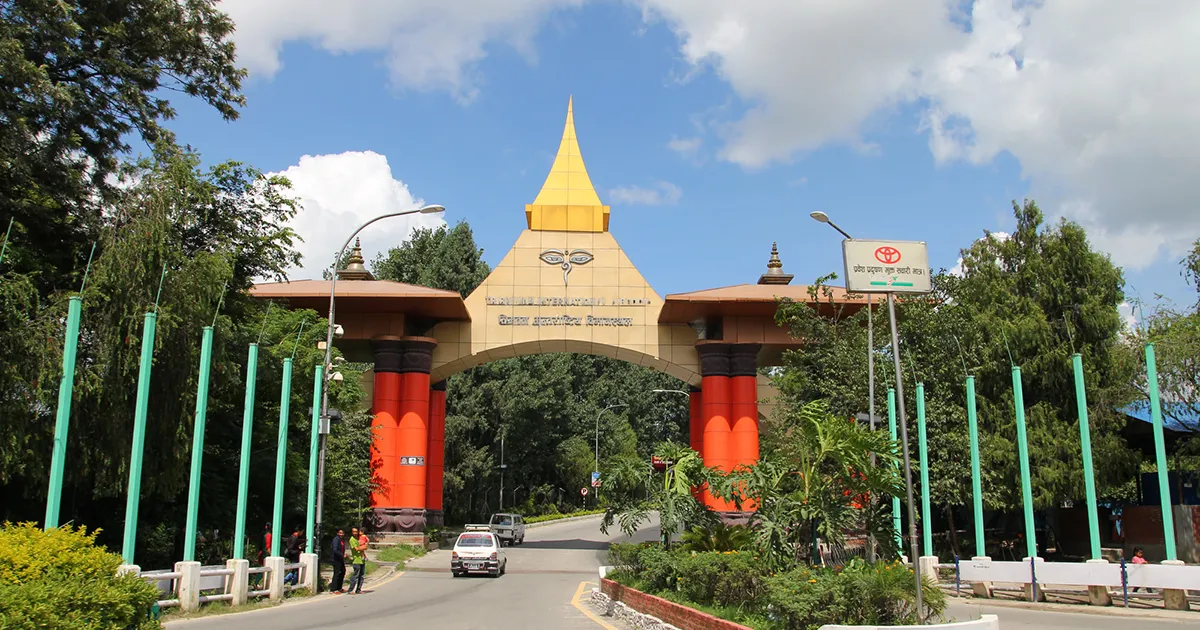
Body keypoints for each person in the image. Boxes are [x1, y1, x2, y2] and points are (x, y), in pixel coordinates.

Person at [347, 526, 368, 594]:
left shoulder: (359, 538)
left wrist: (364, 547)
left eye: (356, 531)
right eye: (353, 532)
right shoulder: (352, 539)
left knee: (361, 576)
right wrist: (364, 547)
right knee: (355, 576)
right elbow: (356, 549)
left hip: (362, 560)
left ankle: (358, 589)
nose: (355, 533)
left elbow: (365, 543)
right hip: (356, 560)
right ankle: (350, 590)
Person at [330, 529, 347, 593]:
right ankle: (333, 589)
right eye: (340, 533)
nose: (341, 534)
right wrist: (342, 555)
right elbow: (335, 550)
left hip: (340, 559)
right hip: (336, 559)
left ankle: (339, 587)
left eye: (342, 533)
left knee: (343, 571)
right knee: (336, 573)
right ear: (337, 533)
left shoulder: (341, 540)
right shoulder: (336, 540)